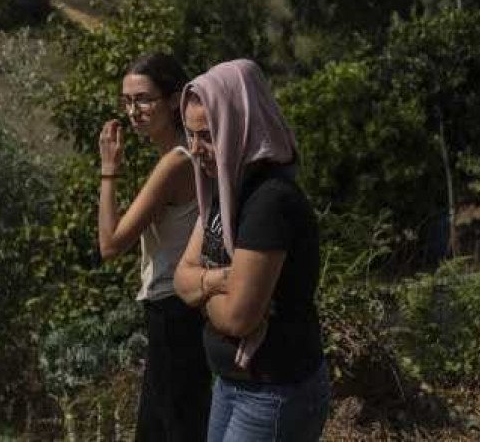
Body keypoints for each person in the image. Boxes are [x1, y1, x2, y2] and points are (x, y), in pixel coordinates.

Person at [173, 60, 329, 442]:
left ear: (238, 125)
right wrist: (222, 279)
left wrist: (203, 287)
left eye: (207, 135)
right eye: (190, 136)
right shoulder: (223, 193)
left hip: (272, 391)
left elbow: (238, 318)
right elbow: (179, 278)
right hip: (233, 384)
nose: (196, 150)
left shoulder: (268, 202)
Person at [96, 53, 211, 442]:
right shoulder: (183, 154)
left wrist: (109, 169)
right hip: (182, 313)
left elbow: (110, 245)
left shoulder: (175, 162)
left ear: (175, 99)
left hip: (174, 314)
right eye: (127, 101)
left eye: (144, 99)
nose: (134, 110)